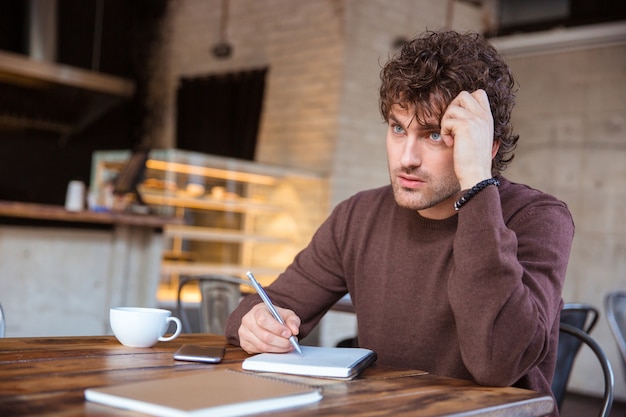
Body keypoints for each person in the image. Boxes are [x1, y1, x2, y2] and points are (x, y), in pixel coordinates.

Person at [225, 30, 574, 415]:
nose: (406, 157)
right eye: (397, 128)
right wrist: (254, 322)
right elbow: (265, 306)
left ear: (486, 145)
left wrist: (477, 184)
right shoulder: (357, 216)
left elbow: (498, 362)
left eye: (435, 134)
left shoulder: (537, 218)